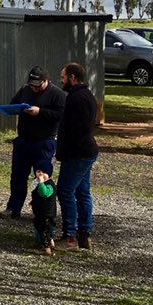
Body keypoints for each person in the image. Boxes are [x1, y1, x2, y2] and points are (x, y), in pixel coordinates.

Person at [0, 66, 66, 219]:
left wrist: (40, 112)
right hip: (23, 140)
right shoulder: (25, 90)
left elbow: (61, 115)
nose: (34, 88)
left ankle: (41, 211)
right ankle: (13, 208)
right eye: (31, 84)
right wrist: (19, 109)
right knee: (17, 176)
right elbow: (13, 103)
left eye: (37, 85)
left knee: (41, 176)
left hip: (44, 141)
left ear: (46, 81)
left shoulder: (57, 94)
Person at [54, 62, 98, 251]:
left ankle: (70, 236)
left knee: (65, 191)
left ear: (72, 77)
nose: (61, 80)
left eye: (63, 77)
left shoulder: (77, 98)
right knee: (82, 192)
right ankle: (84, 235)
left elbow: (76, 129)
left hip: (77, 154)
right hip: (85, 152)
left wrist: (65, 149)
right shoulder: (85, 95)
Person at [30, 170, 57, 256]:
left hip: (46, 214)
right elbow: (37, 195)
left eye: (44, 172)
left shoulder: (49, 185)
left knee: (43, 231)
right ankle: (51, 243)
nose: (40, 174)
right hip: (41, 212)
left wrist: (41, 183)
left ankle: (46, 248)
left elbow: (43, 193)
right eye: (38, 171)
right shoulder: (36, 183)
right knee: (47, 229)